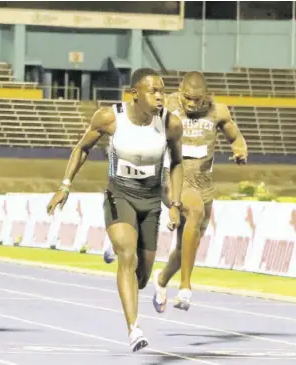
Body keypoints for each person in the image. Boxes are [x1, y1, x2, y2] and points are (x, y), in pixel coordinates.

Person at [47, 68, 184, 352]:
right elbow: (82, 148)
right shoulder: (110, 117)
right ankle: (134, 328)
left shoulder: (171, 124)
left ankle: (118, 248)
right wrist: (65, 185)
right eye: (153, 91)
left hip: (151, 197)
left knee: (142, 276)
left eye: (162, 90)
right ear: (135, 94)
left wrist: (175, 204)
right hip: (120, 193)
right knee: (127, 254)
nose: (161, 96)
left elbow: (178, 163)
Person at [152, 71, 247, 312]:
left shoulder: (219, 110)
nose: (193, 103)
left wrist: (240, 151)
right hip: (174, 178)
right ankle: (185, 288)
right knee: (193, 212)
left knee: (187, 246)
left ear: (206, 95)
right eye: (188, 98)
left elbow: (235, 137)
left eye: (198, 99)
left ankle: (162, 279)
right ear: (180, 91)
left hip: (204, 182)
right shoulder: (167, 104)